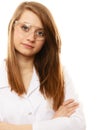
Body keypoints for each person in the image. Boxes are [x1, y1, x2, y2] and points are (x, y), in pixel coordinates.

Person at [0, 1, 86, 130]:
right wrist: (54, 122)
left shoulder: (59, 74)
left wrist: (9, 127)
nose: (31, 37)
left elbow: (78, 124)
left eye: (40, 33)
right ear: (12, 27)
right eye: (25, 27)